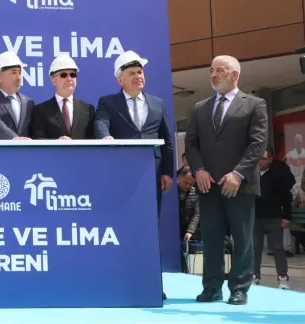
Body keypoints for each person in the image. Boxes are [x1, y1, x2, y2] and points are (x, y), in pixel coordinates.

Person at [184, 55, 268, 305]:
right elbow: (191, 144)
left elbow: (258, 143)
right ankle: (211, 287)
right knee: (211, 238)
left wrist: (238, 173)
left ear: (235, 75)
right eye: (211, 70)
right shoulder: (200, 108)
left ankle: (239, 288)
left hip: (239, 185)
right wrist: (198, 170)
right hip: (207, 185)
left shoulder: (254, 104)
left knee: (242, 239)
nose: (213, 75)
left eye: (219, 70)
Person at [94, 50, 174, 299]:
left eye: (140, 72)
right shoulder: (109, 102)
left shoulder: (157, 103)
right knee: (121, 228)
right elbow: (101, 123)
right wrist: (105, 136)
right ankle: (119, 281)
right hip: (122, 176)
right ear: (120, 79)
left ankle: (151, 284)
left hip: (151, 175)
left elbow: (167, 140)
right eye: (132, 73)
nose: (138, 76)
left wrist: (167, 172)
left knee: (150, 230)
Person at [253, 147, 295, 289]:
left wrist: (286, 217)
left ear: (270, 159)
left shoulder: (277, 174)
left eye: (263, 159)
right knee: (255, 248)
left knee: (278, 248)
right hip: (255, 218)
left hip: (274, 217)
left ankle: (282, 278)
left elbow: (286, 196)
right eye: (258, 159)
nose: (260, 162)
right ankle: (254, 275)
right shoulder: (251, 174)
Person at [30, 54, 95, 140]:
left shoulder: (88, 109)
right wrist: (56, 143)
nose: (69, 78)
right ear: (53, 80)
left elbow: (93, 139)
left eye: (73, 75)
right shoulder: (40, 111)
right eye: (63, 75)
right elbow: (37, 139)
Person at [177, 167, 201, 273]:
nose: (187, 186)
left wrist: (190, 231)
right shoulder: (169, 191)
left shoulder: (195, 193)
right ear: (179, 178)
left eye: (191, 184)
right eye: (185, 183)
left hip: (187, 231)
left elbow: (196, 214)